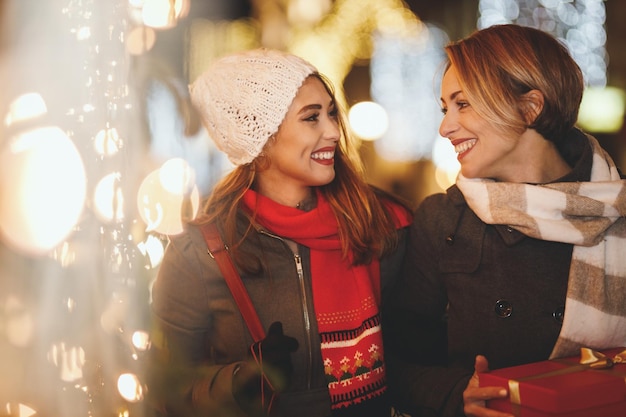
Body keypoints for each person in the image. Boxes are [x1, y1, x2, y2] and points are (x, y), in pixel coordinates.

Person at [147, 48, 412, 417]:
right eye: (311, 118)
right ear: (262, 137)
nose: (334, 132)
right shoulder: (200, 252)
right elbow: (164, 390)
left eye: (332, 113)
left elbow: (417, 357)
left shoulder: (381, 223)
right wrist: (240, 381)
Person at [383, 24, 626, 417]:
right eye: (445, 108)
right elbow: (395, 360)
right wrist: (456, 392)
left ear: (530, 107)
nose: (445, 127)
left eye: (463, 104)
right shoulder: (444, 219)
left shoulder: (618, 208)